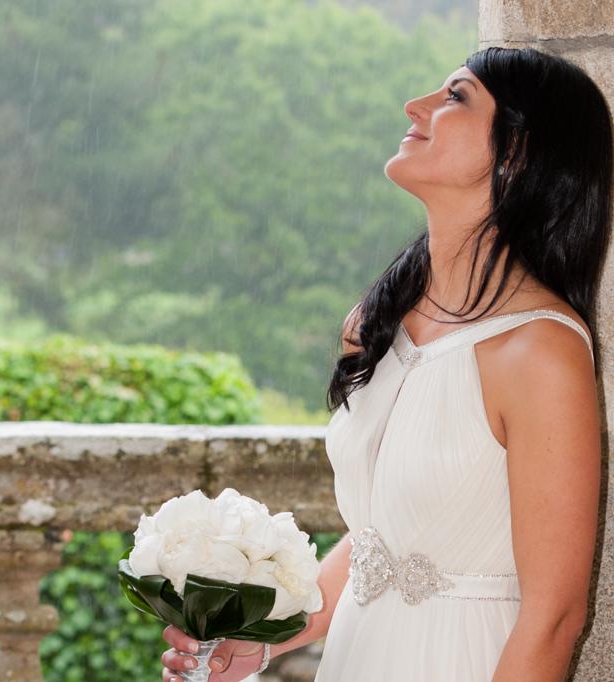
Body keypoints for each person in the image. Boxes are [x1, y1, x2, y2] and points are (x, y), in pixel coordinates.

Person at [162, 46, 611, 681]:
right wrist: (265, 639)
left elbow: (555, 617)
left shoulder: (541, 351)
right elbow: (382, 539)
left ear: (517, 153)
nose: (415, 105)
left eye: (455, 96)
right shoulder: (372, 322)